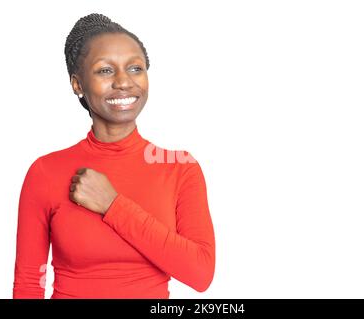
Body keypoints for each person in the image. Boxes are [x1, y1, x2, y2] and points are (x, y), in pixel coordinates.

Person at [12, 13, 216, 299]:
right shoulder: (46, 171)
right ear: (77, 84)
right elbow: (28, 284)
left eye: (135, 68)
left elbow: (200, 273)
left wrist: (113, 205)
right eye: (105, 71)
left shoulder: (179, 168)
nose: (124, 82)